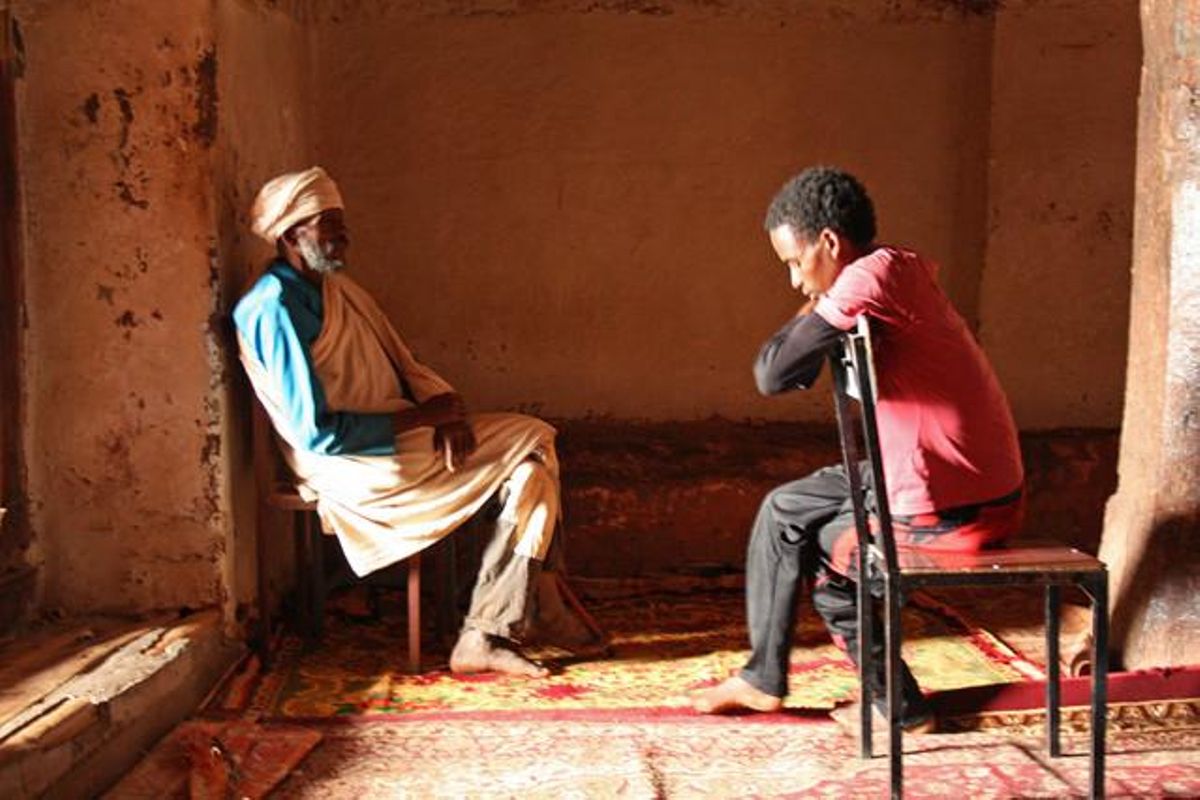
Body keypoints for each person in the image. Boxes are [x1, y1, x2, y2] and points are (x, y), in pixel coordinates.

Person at [691, 167, 1025, 731]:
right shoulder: (886, 269)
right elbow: (784, 367)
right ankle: (762, 677)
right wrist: (820, 297)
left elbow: (773, 372)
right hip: (935, 474)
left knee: (831, 552)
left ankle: (897, 705)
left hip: (958, 503)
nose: (797, 281)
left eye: (797, 263)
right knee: (784, 507)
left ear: (829, 242)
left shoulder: (874, 277)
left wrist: (819, 300)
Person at [234, 166, 602, 677]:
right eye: (328, 225)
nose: (344, 236)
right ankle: (532, 606)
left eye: (341, 223)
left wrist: (442, 407)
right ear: (292, 233)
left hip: (399, 436)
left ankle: (483, 635)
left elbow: (403, 366)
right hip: (351, 464)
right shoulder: (273, 307)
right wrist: (428, 417)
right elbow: (315, 434)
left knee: (531, 469)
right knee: (534, 438)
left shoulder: (340, 292)